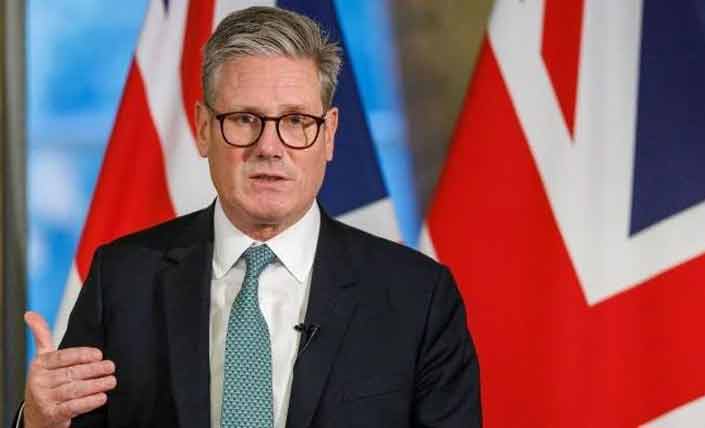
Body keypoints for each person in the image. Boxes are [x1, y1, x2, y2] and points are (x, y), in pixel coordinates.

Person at [18, 6, 481, 428]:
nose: (269, 147)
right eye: (244, 119)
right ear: (204, 129)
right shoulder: (122, 279)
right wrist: (39, 421)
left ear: (329, 135)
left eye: (296, 121)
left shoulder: (417, 297)